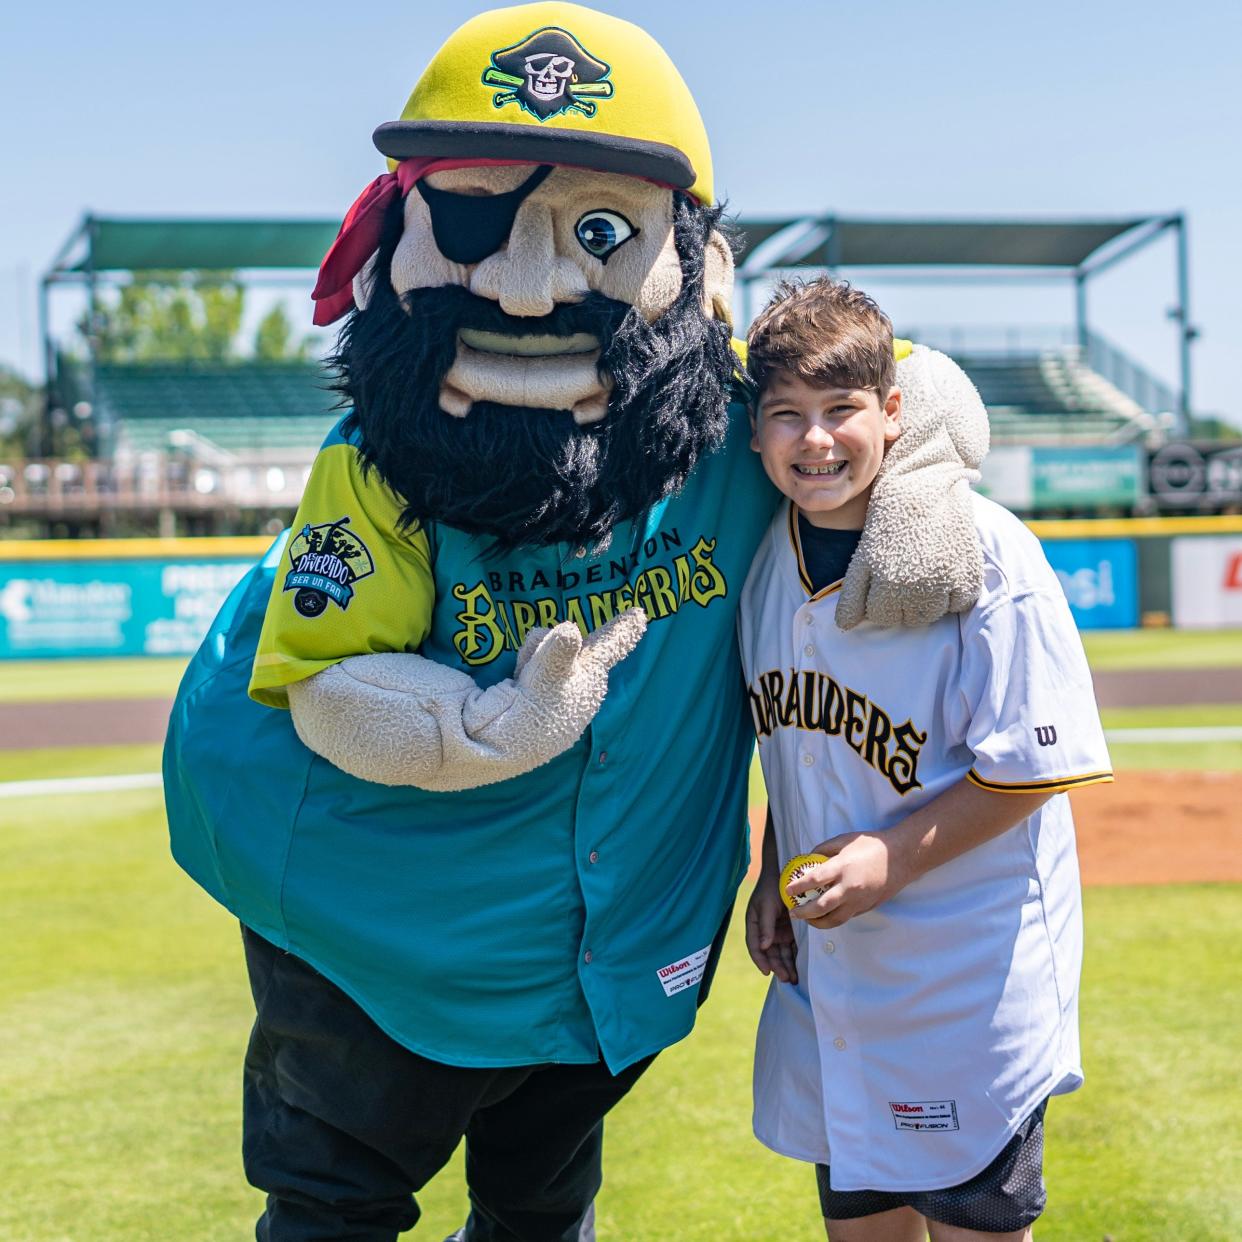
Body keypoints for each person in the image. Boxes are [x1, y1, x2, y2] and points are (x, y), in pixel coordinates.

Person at [164, 7, 989, 1239]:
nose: (525, 282)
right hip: (368, 923)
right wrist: (487, 727)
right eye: (478, 221)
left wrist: (918, 472)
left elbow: (887, 383)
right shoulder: (381, 467)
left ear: (698, 268)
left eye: (601, 232)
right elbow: (332, 677)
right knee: (336, 1207)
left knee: (543, 1210)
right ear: (402, 234)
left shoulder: (740, 425)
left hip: (610, 948)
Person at [738, 278, 1113, 1242]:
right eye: (787, 416)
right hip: (833, 968)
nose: (815, 441)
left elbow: (1038, 765)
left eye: (840, 411)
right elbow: (801, 742)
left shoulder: (986, 553)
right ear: (755, 433)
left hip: (966, 974)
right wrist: (774, 870)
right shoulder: (766, 563)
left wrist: (893, 859)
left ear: (893, 412)